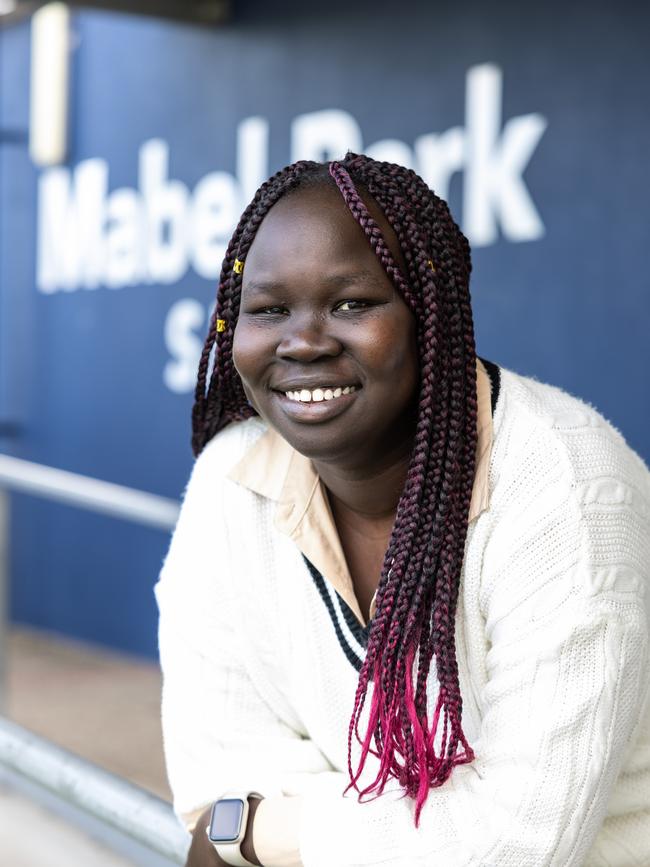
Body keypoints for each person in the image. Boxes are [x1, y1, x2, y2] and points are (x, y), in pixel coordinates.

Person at [155, 154, 650, 867]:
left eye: (351, 303)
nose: (303, 341)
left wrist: (272, 834)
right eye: (268, 310)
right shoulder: (232, 479)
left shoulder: (569, 493)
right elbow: (216, 776)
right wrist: (432, 827)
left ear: (431, 313)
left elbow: (516, 843)